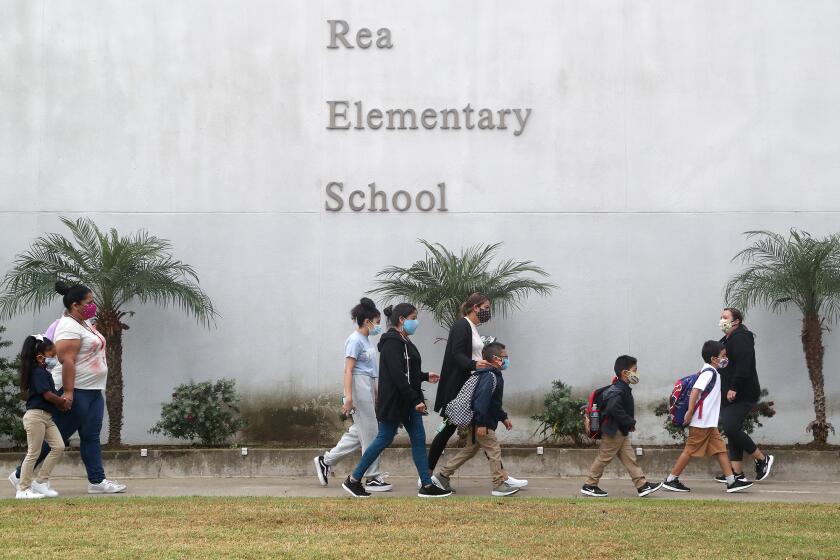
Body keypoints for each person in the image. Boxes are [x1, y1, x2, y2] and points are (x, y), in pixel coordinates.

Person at [8, 282, 127, 494]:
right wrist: (69, 393)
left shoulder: (85, 323)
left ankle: (97, 481)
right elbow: (67, 360)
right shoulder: (68, 326)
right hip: (77, 390)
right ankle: (19, 475)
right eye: (89, 303)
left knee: (91, 435)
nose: (93, 306)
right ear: (75, 305)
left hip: (93, 391)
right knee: (57, 437)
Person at [341, 303, 451, 498]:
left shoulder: (404, 341)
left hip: (407, 400)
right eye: (413, 318)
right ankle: (354, 479)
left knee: (418, 439)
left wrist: (425, 376)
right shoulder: (392, 342)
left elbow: (408, 372)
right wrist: (414, 398)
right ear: (402, 319)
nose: (415, 322)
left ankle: (426, 484)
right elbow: (397, 375)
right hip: (397, 401)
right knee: (383, 438)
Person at [428, 293, 526, 490]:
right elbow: (456, 354)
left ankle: (501, 476)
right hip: (459, 390)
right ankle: (427, 474)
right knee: (450, 431)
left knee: (479, 440)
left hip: (471, 386)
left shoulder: (471, 328)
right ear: (475, 307)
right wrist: (474, 364)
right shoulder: (461, 325)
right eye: (486, 307)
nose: (488, 311)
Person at [314, 298, 391, 492]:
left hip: (366, 385)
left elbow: (371, 370)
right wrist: (348, 397)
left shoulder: (366, 340)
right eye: (377, 322)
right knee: (372, 433)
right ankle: (372, 476)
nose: (378, 326)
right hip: (358, 386)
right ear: (367, 321)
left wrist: (376, 392)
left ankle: (326, 461)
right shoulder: (354, 340)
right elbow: (348, 370)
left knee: (360, 432)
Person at [433, 342, 525, 497]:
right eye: (505, 357)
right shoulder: (490, 376)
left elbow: (494, 403)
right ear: (496, 359)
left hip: (478, 420)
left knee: (470, 450)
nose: (507, 360)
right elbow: (481, 401)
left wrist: (503, 418)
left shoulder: (490, 375)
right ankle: (498, 484)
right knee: (494, 450)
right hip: (483, 422)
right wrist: (481, 423)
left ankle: (442, 476)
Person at [663, 341, 754, 494]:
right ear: (713, 359)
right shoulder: (709, 373)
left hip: (708, 423)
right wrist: (690, 411)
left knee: (720, 450)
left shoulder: (711, 372)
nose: (725, 358)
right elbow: (695, 391)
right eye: (723, 356)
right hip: (701, 422)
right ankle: (671, 480)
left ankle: (732, 482)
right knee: (690, 451)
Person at [580, 355, 662, 498]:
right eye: (635, 370)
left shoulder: (620, 387)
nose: (637, 373)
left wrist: (627, 424)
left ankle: (642, 485)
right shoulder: (619, 389)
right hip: (614, 431)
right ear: (625, 373)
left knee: (629, 458)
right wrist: (630, 422)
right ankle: (590, 485)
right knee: (604, 458)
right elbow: (613, 408)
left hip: (619, 431)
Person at [716, 308, 774, 483]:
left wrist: (734, 387)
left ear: (736, 321)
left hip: (741, 392)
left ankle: (762, 459)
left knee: (731, 428)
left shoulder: (741, 337)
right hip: (727, 393)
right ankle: (736, 472)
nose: (721, 320)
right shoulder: (727, 340)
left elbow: (744, 363)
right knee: (732, 430)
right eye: (721, 317)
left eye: (725, 317)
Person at [14, 335, 68, 499]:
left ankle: (41, 481)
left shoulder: (44, 373)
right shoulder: (37, 372)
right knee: (33, 453)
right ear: (39, 357)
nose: (54, 359)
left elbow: (50, 395)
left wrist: (61, 401)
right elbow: (47, 395)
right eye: (52, 356)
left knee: (58, 446)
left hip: (46, 417)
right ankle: (23, 489)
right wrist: (62, 402)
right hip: (36, 417)